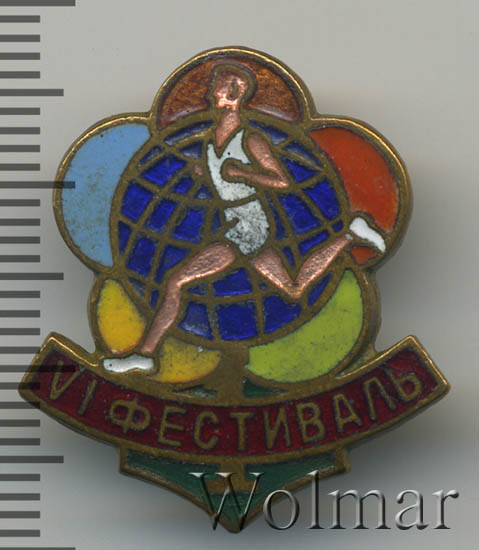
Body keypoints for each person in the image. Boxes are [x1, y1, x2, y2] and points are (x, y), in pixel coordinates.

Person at [104, 64, 385, 373]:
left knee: (176, 281)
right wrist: (206, 173)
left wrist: (243, 173)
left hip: (249, 227)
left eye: (218, 87)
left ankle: (145, 355)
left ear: (235, 93)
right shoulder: (211, 141)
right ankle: (351, 234)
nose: (211, 93)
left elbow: (281, 181)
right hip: (236, 222)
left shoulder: (251, 140)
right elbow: (223, 179)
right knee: (293, 288)